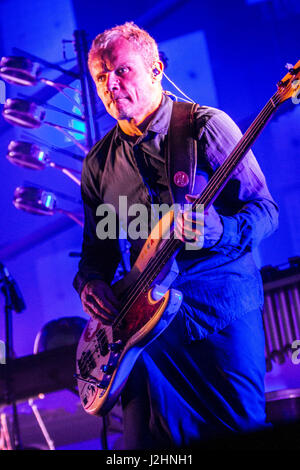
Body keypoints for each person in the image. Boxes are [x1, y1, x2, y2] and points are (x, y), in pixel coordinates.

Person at [73, 22, 279, 449]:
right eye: (100, 77)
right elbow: (98, 251)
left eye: (122, 70)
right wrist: (90, 281)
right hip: (144, 330)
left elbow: (265, 212)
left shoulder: (206, 126)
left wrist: (220, 230)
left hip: (218, 311)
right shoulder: (97, 165)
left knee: (242, 434)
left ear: (155, 68)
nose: (111, 84)